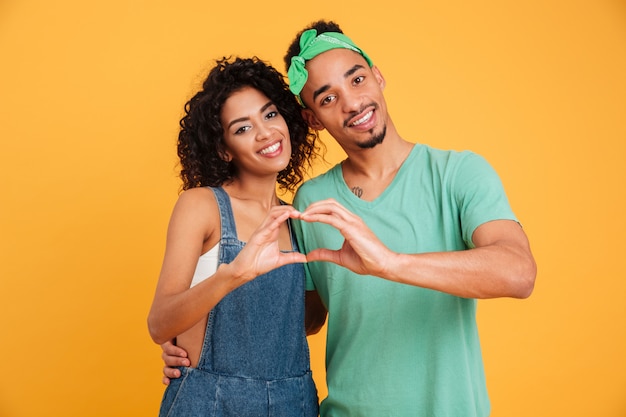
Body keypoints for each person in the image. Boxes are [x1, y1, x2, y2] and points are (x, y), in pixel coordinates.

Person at [162, 21, 537, 416]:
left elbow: (518, 273)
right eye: (327, 99)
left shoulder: (458, 173)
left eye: (357, 79)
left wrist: (390, 264)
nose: (353, 103)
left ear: (377, 76)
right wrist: (194, 347)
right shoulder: (311, 201)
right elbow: (301, 317)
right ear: (312, 119)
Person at [147, 56, 320, 417]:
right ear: (224, 149)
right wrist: (234, 274)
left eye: (270, 115)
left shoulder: (299, 216)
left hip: (295, 402)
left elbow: (304, 323)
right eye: (242, 128)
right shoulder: (203, 206)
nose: (266, 133)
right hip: (210, 400)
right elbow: (160, 323)